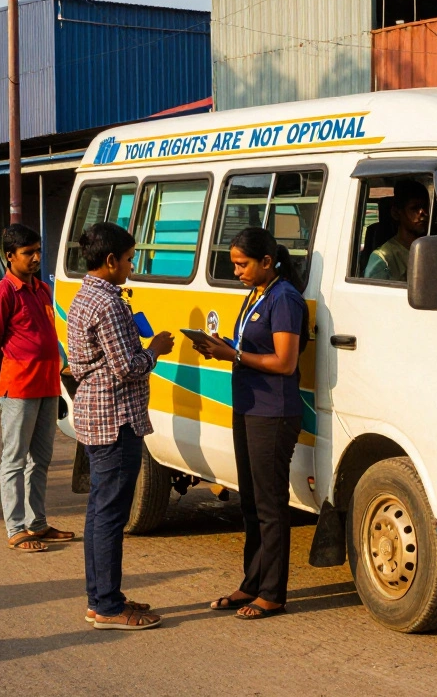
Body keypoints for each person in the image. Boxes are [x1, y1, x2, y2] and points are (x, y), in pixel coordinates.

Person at [195, 227, 307, 621]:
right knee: (250, 502)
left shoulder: (285, 299)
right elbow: (248, 348)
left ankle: (273, 593)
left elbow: (284, 362)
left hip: (273, 412)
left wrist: (234, 354)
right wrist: (221, 347)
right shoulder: (256, 295)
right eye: (234, 264)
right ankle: (251, 582)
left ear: (266, 261)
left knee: (270, 505)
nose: (238, 271)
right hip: (247, 406)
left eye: (243, 264)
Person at [67, 222, 172, 630]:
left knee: (100, 512)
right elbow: (127, 367)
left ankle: (101, 598)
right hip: (115, 417)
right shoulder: (107, 303)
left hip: (98, 413)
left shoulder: (87, 294)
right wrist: (155, 351)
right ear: (110, 261)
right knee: (109, 514)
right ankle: (108, 606)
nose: (131, 267)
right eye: (128, 260)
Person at [0, 224, 74, 553]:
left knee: (41, 459)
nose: (36, 258)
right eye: (28, 253)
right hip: (18, 387)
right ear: (10, 257)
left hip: (47, 384)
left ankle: (37, 523)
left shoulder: (40, 289)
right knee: (14, 459)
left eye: (38, 251)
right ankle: (16, 528)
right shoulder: (2, 293)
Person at [364, 179, 431, 281]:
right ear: (396, 213)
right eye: (414, 208)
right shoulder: (382, 259)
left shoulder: (432, 250)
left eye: (425, 207)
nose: (423, 213)